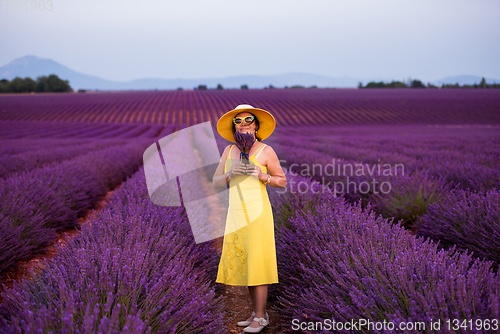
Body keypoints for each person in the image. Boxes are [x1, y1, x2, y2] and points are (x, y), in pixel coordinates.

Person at [212, 104, 286, 333]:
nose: (243, 123)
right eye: (238, 121)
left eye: (248, 120)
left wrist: (263, 176)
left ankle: (262, 317)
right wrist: (229, 174)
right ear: (234, 126)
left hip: (257, 213)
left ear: (256, 125)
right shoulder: (228, 151)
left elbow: (282, 180)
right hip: (236, 214)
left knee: (258, 264)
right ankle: (255, 313)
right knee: (246, 264)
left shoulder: (265, 151)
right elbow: (215, 182)